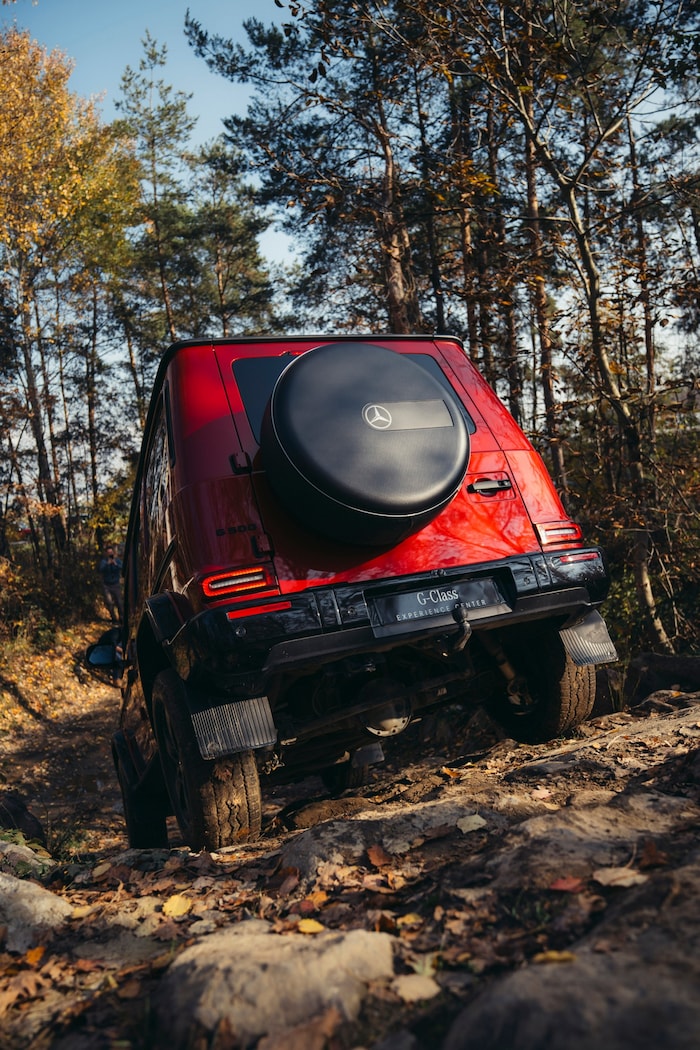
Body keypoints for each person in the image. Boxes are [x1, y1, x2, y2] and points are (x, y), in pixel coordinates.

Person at [98, 545, 123, 625]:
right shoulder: (104, 562)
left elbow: (122, 567)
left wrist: (115, 564)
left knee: (119, 602)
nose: (110, 554)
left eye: (111, 552)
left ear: (113, 552)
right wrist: (107, 564)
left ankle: (121, 619)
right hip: (107, 585)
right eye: (108, 553)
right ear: (106, 554)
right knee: (109, 602)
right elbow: (100, 569)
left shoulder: (117, 561)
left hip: (116, 584)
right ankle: (114, 619)